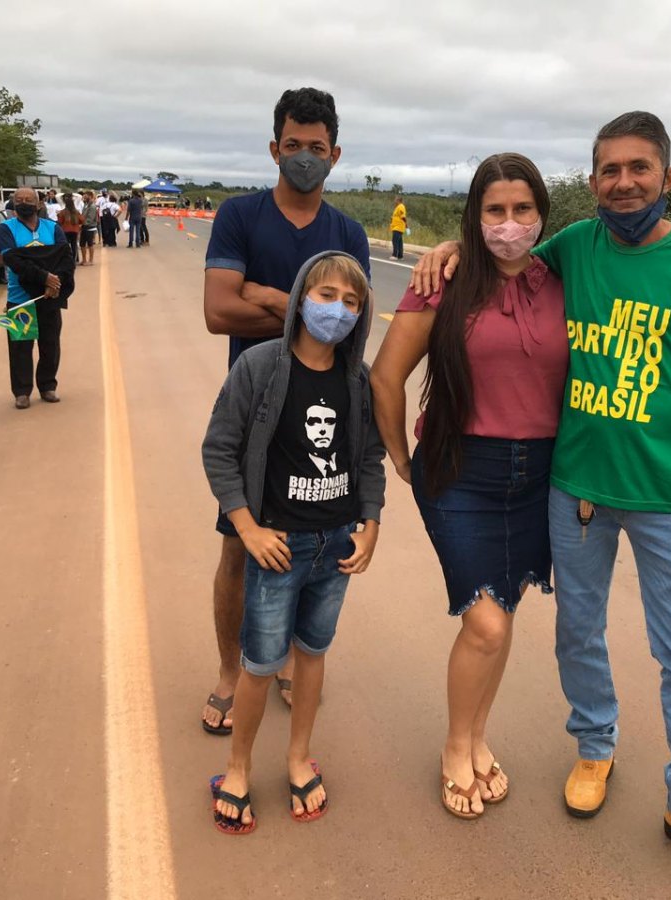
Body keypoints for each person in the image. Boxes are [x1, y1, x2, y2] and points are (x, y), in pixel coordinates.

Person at [414, 111, 671, 889]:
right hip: (574, 488)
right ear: (593, 180)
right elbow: (494, 256)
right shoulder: (571, 249)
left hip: (670, 496)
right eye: (608, 170)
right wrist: (444, 250)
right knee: (578, 633)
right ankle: (595, 748)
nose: (624, 183)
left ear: (668, 177)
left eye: (639, 168)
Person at [374, 154, 671, 821]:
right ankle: (453, 748)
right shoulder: (442, 281)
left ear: (542, 217)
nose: (508, 224)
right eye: (493, 211)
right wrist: (400, 459)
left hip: (540, 475)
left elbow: (619, 356)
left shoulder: (559, 276)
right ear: (474, 216)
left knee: (501, 615)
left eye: (522, 210)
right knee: (487, 621)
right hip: (460, 472)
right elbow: (384, 377)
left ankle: (476, 736)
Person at [201, 86, 372, 735]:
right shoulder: (240, 217)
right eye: (293, 146)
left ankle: (289, 667)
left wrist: (266, 296)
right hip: (257, 422)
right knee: (240, 551)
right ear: (274, 147)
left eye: (317, 148)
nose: (305, 157)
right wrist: (298, 303)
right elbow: (219, 311)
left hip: (324, 425)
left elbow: (348, 326)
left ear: (335, 154)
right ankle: (230, 671)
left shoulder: (347, 232)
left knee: (317, 553)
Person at [201, 250, 384, 834]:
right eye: (326, 296)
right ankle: (237, 769)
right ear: (302, 297)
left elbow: (371, 457)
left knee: (312, 654)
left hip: (336, 546)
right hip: (278, 548)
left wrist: (371, 523)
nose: (338, 310)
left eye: (351, 302)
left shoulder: (357, 381)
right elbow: (219, 448)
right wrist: (247, 527)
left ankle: (299, 755)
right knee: (259, 665)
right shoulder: (260, 366)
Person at [0, 186, 75, 409]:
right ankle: (21, 392)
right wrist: (44, 277)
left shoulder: (53, 228)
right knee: (20, 346)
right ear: (13, 203)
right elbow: (13, 260)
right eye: (19, 199)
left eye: (29, 199)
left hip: (50, 297)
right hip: (20, 299)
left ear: (38, 204)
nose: (24, 202)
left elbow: (66, 258)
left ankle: (48, 386)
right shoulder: (5, 229)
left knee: (50, 344)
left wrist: (55, 281)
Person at [57, 191, 83, 264]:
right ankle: (74, 260)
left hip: (65, 231)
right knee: (74, 246)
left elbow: (59, 222)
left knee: (66, 246)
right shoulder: (76, 212)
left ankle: (67, 260)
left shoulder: (62, 212)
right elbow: (82, 220)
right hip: (75, 231)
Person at [80, 191, 99, 265]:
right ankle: (84, 260)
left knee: (90, 244)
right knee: (82, 244)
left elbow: (90, 219)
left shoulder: (92, 206)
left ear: (90, 196)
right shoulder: (86, 205)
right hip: (84, 227)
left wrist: (82, 224)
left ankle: (91, 260)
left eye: (86, 196)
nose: (84, 197)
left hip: (90, 227)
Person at [389, 194, 407, 259]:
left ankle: (395, 255)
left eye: (395, 199)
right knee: (399, 242)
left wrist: (406, 225)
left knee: (395, 241)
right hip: (396, 227)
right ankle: (400, 255)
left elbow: (403, 217)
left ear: (398, 200)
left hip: (398, 227)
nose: (394, 201)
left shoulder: (401, 207)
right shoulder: (398, 207)